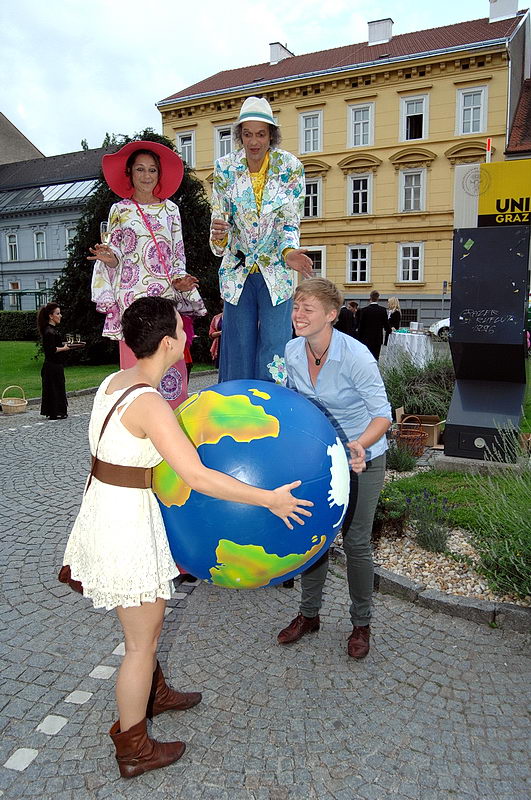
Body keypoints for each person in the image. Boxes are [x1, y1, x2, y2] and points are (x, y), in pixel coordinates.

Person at [62, 295, 312, 779]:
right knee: (140, 644)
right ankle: (134, 749)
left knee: (145, 633)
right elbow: (196, 476)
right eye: (182, 327)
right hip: (125, 526)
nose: (187, 333)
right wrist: (270, 499)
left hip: (110, 513)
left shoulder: (115, 382)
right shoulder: (149, 403)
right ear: (167, 343)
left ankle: (153, 693)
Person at [276, 278, 392, 659]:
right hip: (320, 457)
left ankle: (361, 624)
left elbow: (383, 415)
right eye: (296, 307)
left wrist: (360, 444)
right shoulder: (293, 351)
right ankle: (309, 615)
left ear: (331, 315)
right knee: (316, 534)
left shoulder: (356, 356)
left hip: (363, 456)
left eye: (307, 309)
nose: (298, 315)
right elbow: (295, 404)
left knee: (356, 542)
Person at [210, 96, 313, 383]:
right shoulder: (225, 168)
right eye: (247, 134)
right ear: (240, 135)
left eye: (261, 134)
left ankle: (271, 406)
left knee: (275, 350)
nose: (254, 142)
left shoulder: (290, 167)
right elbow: (219, 220)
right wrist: (219, 237)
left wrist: (289, 252)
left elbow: (290, 220)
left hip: (276, 270)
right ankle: (235, 403)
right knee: (238, 350)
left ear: (271, 135)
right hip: (237, 271)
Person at [90, 140, 200, 409]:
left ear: (159, 174)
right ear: (129, 173)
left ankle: (172, 426)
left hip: (164, 300)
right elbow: (115, 250)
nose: (146, 175)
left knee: (171, 372)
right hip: (132, 301)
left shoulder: (171, 210)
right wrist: (109, 258)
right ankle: (138, 426)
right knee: (136, 372)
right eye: (140, 169)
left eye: (152, 170)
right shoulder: (119, 210)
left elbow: (178, 255)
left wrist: (181, 281)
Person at [37, 302, 70, 420]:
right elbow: (51, 349)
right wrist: (64, 348)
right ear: (51, 316)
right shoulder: (49, 331)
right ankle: (55, 411)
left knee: (58, 388)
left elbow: (56, 344)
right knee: (54, 389)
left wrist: (65, 345)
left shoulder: (52, 330)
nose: (60, 316)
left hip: (55, 364)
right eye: (58, 313)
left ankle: (58, 411)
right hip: (52, 365)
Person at [357, 290, 392, 361]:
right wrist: (390, 330)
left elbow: (361, 325)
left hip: (366, 338)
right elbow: (386, 324)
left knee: (366, 357)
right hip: (377, 338)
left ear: (370, 298)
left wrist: (359, 338)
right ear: (378, 298)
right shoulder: (382, 310)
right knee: (376, 357)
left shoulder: (364, 310)